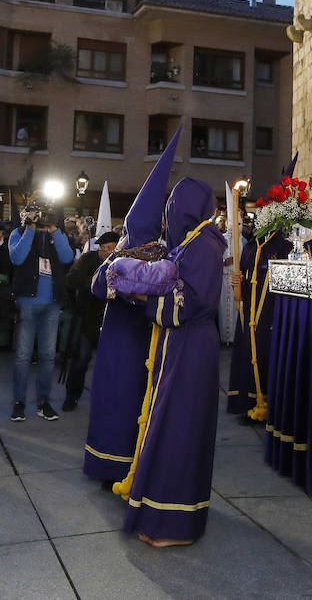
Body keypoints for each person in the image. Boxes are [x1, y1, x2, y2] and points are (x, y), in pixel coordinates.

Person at [121, 177, 225, 546]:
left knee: (180, 428)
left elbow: (194, 303)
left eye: (171, 208)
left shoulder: (203, 245)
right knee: (166, 424)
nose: (168, 216)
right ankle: (160, 513)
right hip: (180, 343)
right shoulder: (190, 244)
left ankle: (175, 524)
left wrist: (143, 297)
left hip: (192, 345)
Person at [83, 128, 181, 482]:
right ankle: (118, 463)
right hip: (125, 339)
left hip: (137, 338)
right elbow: (97, 287)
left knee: (125, 401)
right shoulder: (127, 256)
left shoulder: (155, 258)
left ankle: (118, 463)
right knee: (122, 399)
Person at [8, 201, 74, 422]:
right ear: (26, 214)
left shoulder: (56, 234)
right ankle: (19, 402)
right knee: (23, 356)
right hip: (27, 303)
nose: (40, 216)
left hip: (52, 305)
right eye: (34, 213)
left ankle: (43, 403)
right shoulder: (18, 233)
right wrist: (30, 228)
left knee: (47, 356)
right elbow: (17, 257)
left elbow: (67, 258)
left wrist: (54, 228)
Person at [227, 210, 291, 421]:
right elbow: (245, 273)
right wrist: (238, 282)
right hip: (249, 308)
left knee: (265, 351)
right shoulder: (250, 246)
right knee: (247, 351)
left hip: (270, 310)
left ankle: (267, 403)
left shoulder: (284, 246)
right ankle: (248, 403)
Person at [62, 230, 119, 411]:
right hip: (87, 320)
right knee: (80, 360)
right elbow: (71, 280)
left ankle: (105, 400)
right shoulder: (88, 259)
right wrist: (94, 285)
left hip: (112, 323)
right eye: (103, 248)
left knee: (110, 364)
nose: (105, 252)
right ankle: (72, 395)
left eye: (109, 249)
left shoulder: (123, 263)